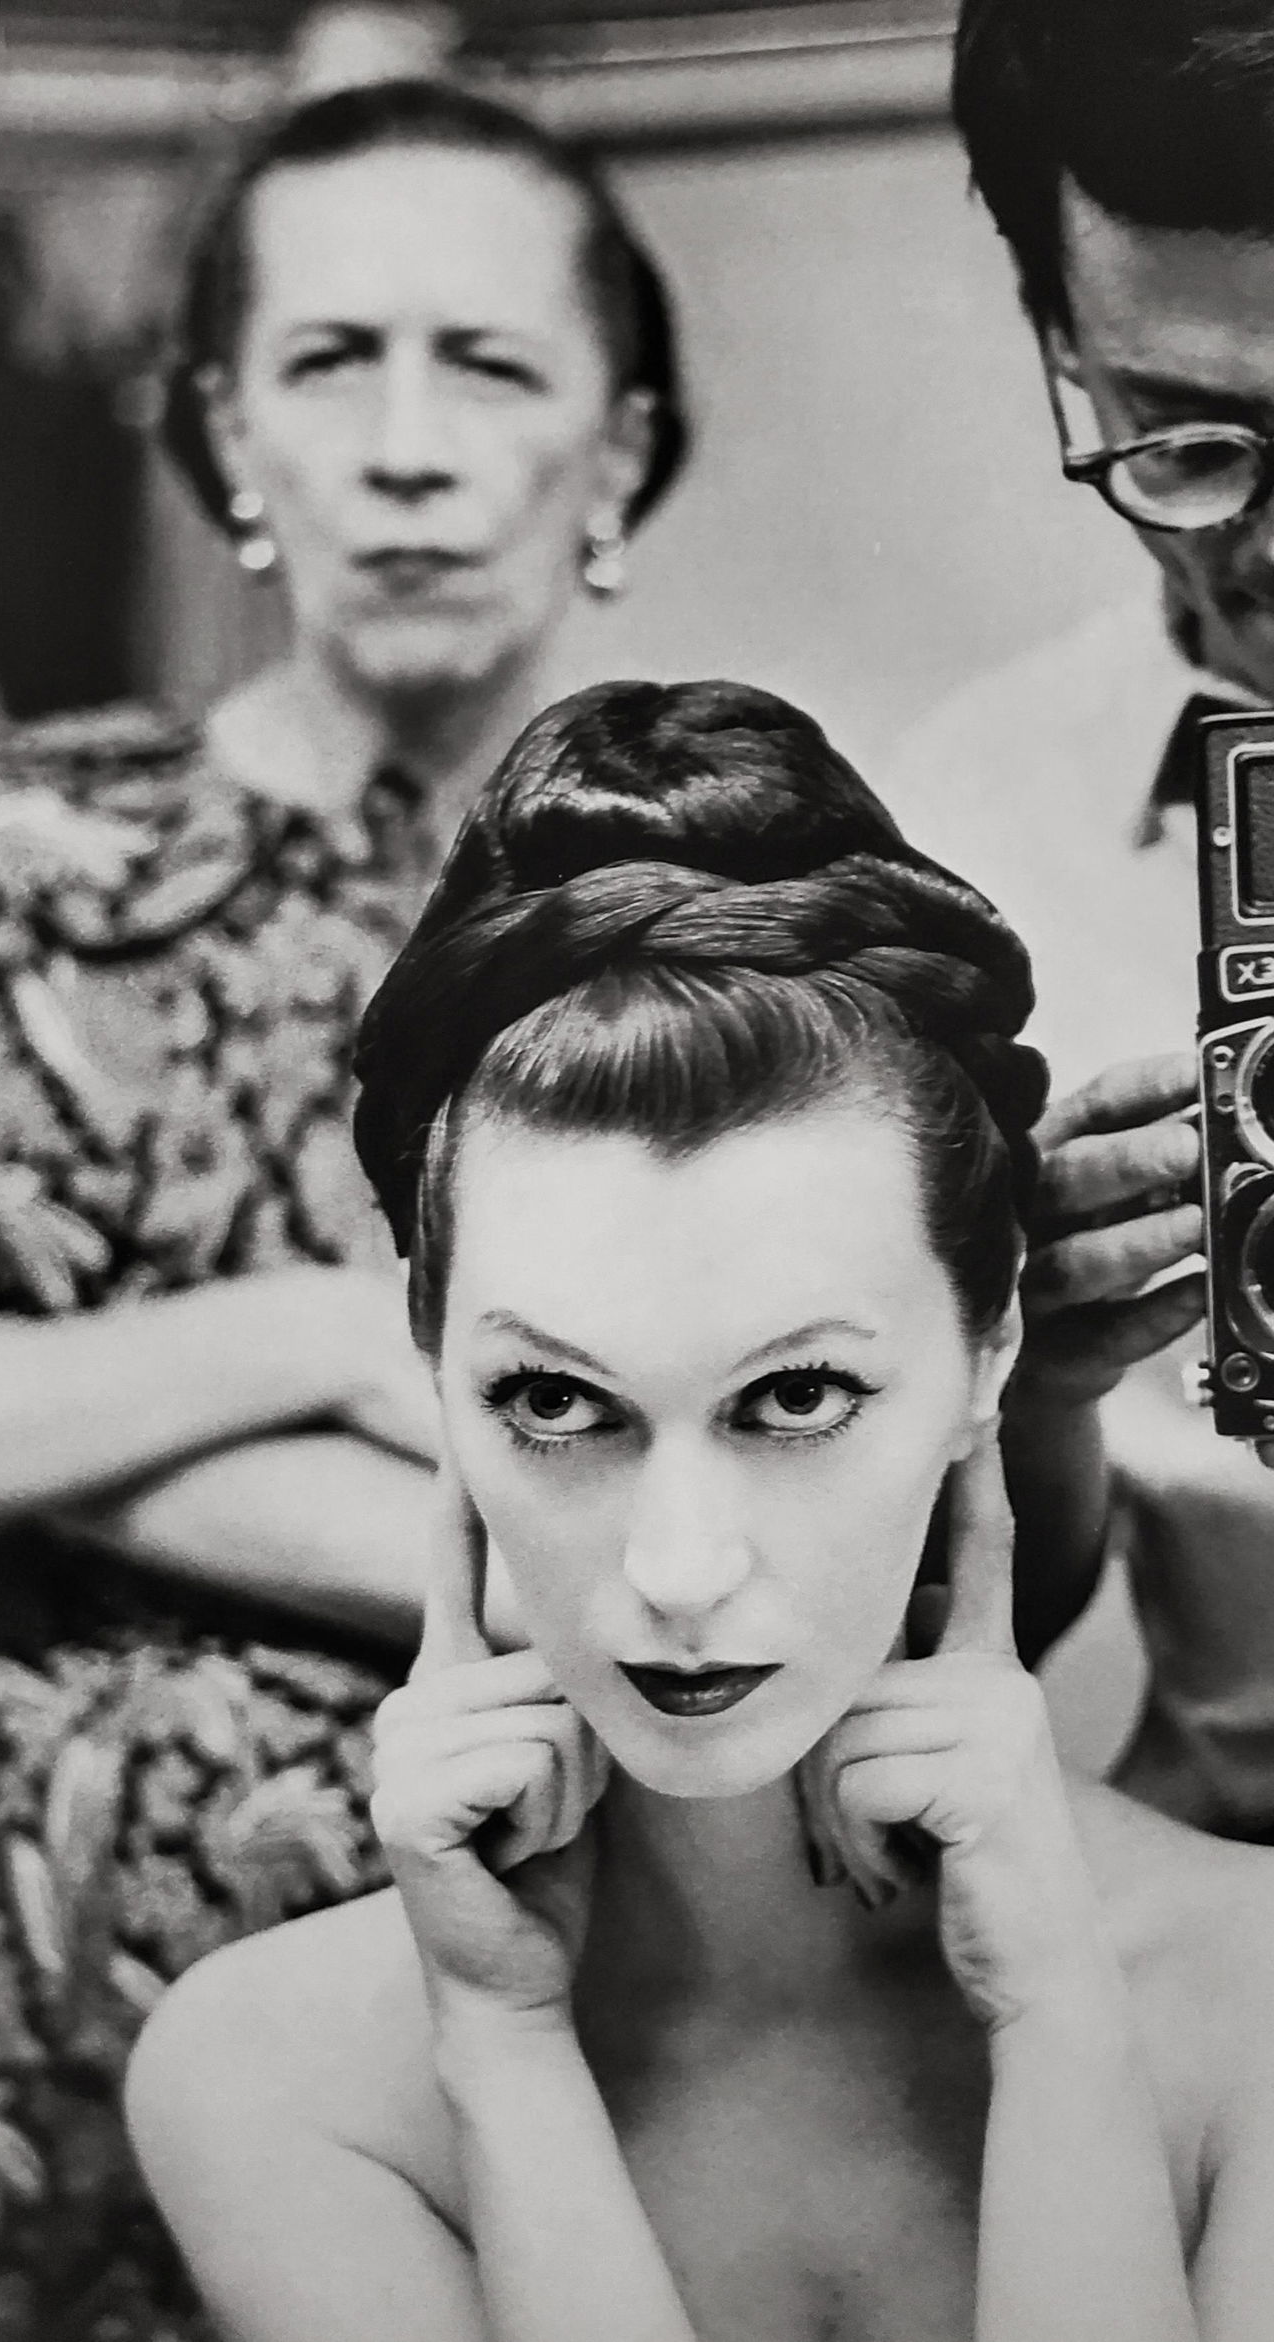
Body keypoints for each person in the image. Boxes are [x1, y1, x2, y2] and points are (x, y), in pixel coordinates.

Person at [0, 79, 688, 2342]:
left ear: (613, 452)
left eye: (491, 364)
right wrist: (335, 1351)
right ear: (226, 440)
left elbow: (707, 1562)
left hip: (532, 2002)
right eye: (329, 364)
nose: (405, 445)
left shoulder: (715, 933)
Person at [129, 678, 1274, 2342]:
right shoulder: (276, 2074)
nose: (676, 1571)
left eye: (797, 1396)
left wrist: (1060, 2025)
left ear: (988, 1349)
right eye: (556, 1401)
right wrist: (506, 2054)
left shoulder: (1256, 2002)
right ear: (433, 1363)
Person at [883, 0, 1274, 1838]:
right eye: (1193, 441)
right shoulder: (954, 831)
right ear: (1062, 354)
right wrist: (1023, 1385)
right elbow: (950, 1635)